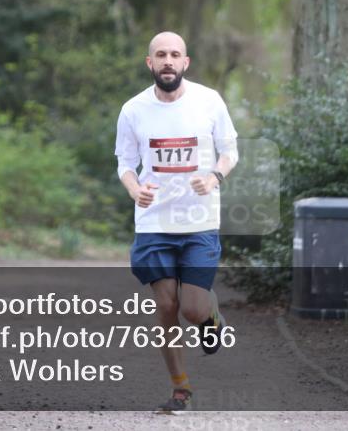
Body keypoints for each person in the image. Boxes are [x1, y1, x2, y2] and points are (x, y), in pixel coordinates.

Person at [114, 31, 239, 414]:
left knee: (192, 310)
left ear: (186, 62)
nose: (168, 61)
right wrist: (135, 190)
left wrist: (215, 177)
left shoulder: (209, 101)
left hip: (199, 221)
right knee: (166, 307)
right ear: (149, 63)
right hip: (154, 223)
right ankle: (180, 389)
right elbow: (125, 164)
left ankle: (211, 315)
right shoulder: (133, 109)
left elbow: (230, 151)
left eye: (175, 55)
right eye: (160, 55)